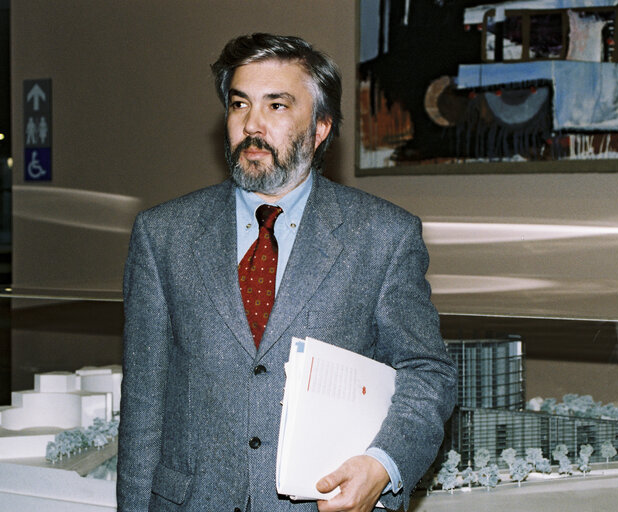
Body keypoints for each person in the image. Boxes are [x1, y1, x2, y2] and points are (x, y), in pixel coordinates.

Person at [117, 33, 457, 512]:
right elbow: (143, 405)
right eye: (239, 105)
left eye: (276, 106)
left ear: (319, 128)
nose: (251, 124)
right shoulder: (164, 234)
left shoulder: (384, 235)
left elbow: (427, 372)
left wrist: (382, 465)